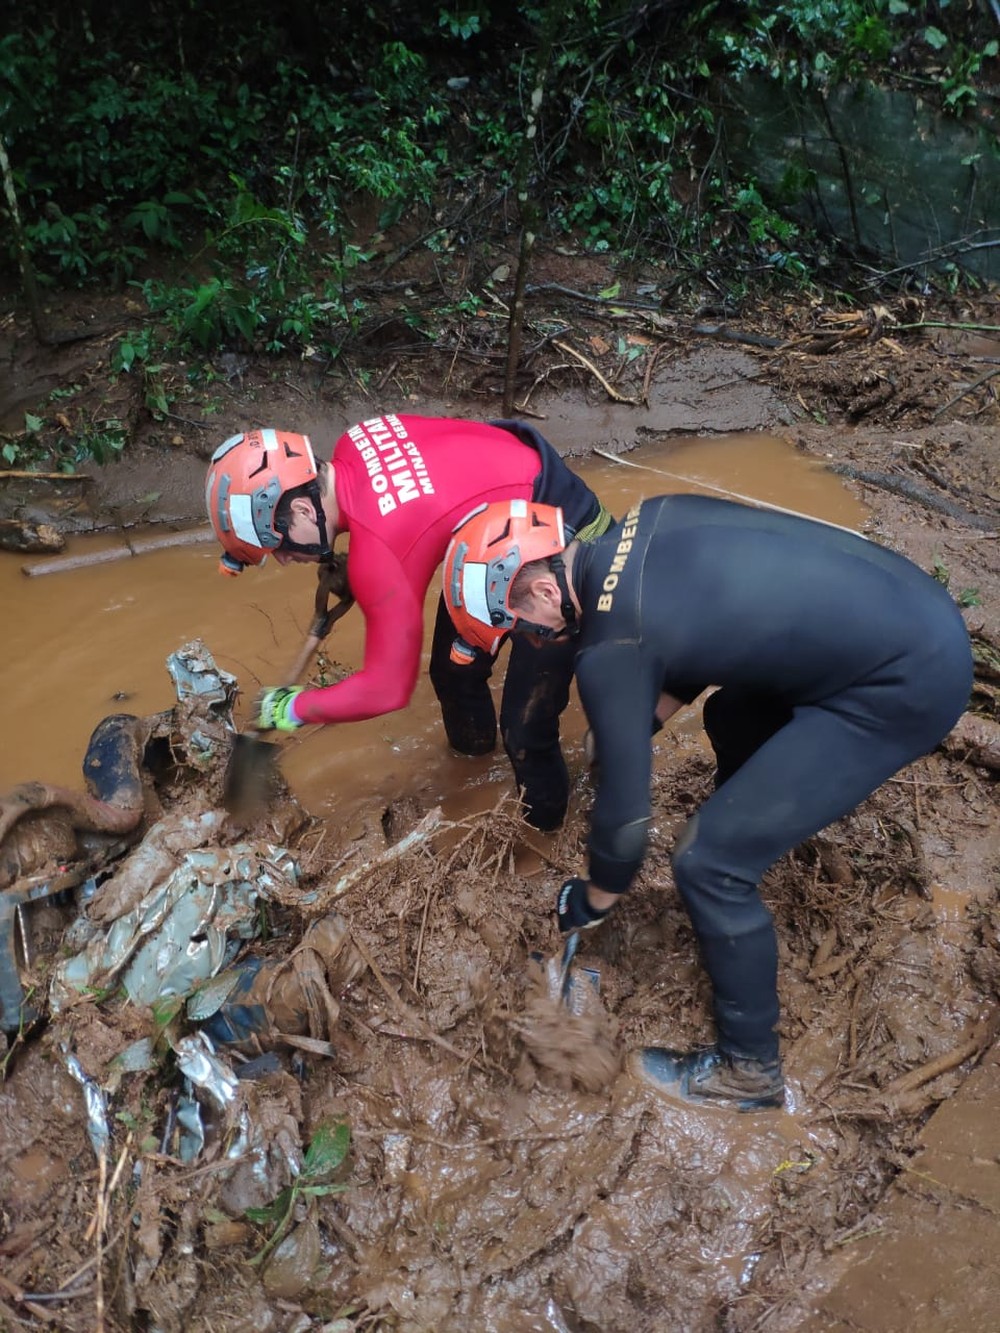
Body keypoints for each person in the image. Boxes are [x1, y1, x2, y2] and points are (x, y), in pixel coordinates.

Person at [441, 492, 973, 1111]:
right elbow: (703, 626)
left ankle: (750, 1073)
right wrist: (637, 721)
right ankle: (753, 827)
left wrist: (590, 897)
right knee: (731, 711)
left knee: (706, 862)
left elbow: (626, 827)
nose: (534, 641)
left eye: (524, 629)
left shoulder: (608, 650)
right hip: (922, 618)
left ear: (539, 594)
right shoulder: (650, 517)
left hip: (902, 688)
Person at [205, 417, 612, 831]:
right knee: (453, 671)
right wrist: (349, 567)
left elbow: (387, 689)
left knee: (525, 730)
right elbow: (418, 508)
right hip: (502, 532)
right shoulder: (353, 442)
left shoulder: (377, 553)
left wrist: (291, 707)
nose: (284, 559)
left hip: (564, 550)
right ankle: (472, 766)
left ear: (304, 508)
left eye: (277, 544)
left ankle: (542, 835)